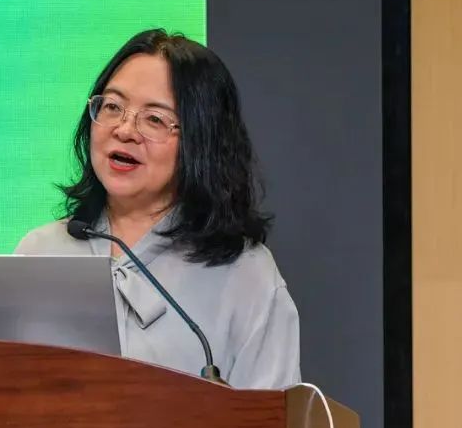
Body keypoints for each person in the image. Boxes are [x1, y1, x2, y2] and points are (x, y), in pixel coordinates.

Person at [15, 28, 300, 390]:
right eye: (113, 106)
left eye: (154, 119)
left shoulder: (245, 274)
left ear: (201, 141)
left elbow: (274, 419)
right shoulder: (41, 252)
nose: (125, 130)